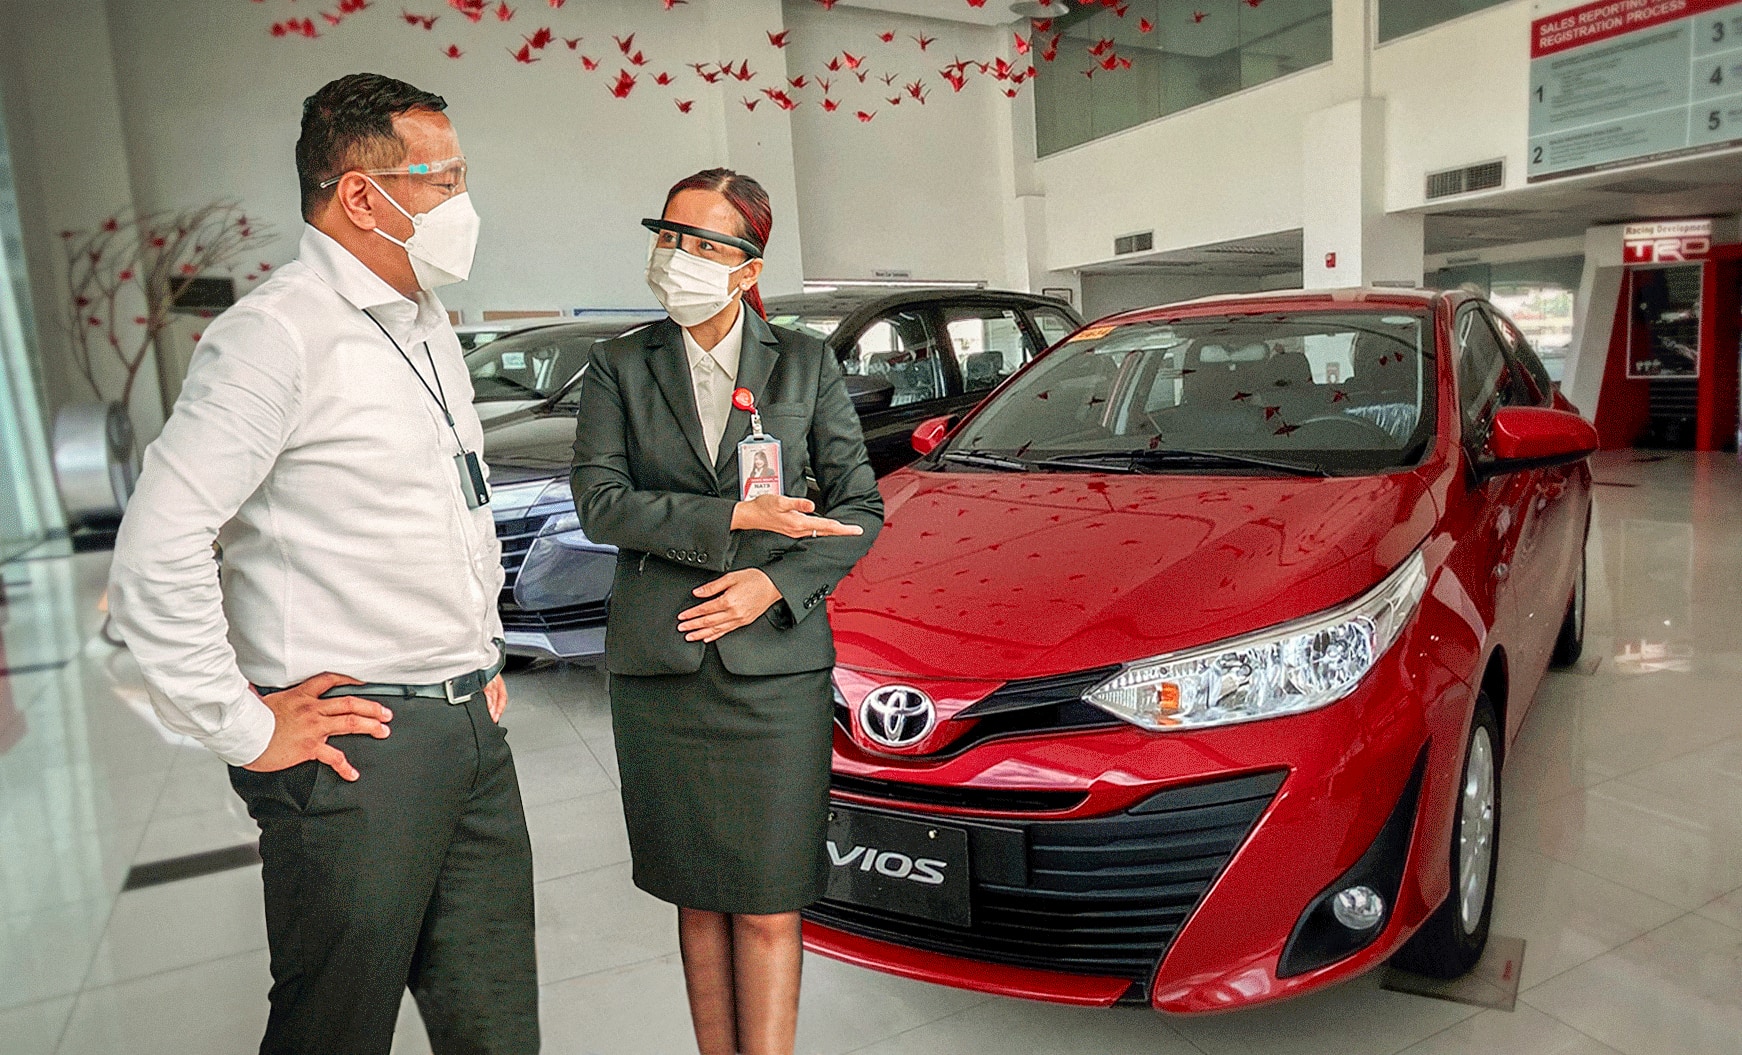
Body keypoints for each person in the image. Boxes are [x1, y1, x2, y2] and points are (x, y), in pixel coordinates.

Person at [108, 73, 538, 1055]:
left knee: (496, 1024)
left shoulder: (423, 320)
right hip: (356, 750)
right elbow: (157, 546)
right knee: (336, 1028)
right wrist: (244, 726)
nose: (462, 200)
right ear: (361, 195)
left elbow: (447, 509)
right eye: (444, 178)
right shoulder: (276, 334)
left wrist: (475, 653)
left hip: (468, 727)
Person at [570, 169, 883, 1055]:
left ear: (747, 269)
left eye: (702, 243)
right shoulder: (621, 364)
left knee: (769, 902)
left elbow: (860, 508)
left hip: (774, 674)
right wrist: (735, 519)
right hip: (662, 671)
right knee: (698, 899)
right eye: (669, 236)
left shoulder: (805, 362)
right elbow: (600, 503)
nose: (677, 256)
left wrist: (771, 585)